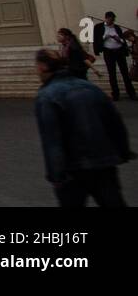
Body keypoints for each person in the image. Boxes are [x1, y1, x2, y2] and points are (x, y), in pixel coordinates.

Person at [33, 49, 133, 207]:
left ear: (43, 67)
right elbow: (115, 122)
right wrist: (123, 151)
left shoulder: (47, 96)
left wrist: (56, 175)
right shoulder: (91, 88)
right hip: (104, 162)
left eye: (37, 65)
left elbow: (52, 140)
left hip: (73, 168)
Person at [93, 12, 136, 100]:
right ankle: (115, 94)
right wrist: (105, 37)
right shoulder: (99, 27)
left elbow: (122, 40)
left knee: (125, 72)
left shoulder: (116, 27)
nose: (111, 22)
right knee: (112, 73)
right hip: (108, 52)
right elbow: (97, 39)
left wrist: (118, 39)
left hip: (119, 51)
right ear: (106, 18)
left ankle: (131, 93)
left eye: (112, 20)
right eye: (109, 20)